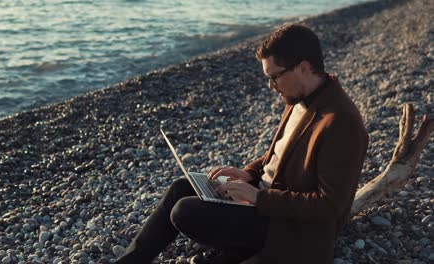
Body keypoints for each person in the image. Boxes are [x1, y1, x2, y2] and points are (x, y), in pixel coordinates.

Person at [115, 23, 369, 264]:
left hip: (291, 229)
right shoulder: (300, 98)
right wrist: (248, 174)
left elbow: (330, 206)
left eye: (275, 77)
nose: (271, 86)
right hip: (266, 203)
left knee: (185, 212)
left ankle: (241, 252)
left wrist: (259, 197)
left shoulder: (340, 122)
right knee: (182, 187)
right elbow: (279, 156)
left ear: (303, 67)